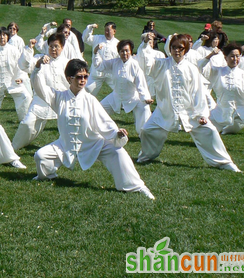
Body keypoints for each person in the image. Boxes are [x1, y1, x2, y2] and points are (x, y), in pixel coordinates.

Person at [32, 59, 155, 199]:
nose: (83, 80)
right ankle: (47, 176)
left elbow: (104, 121)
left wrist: (117, 133)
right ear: (69, 78)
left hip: (93, 144)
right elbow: (39, 87)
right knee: (41, 156)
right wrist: (37, 67)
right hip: (65, 144)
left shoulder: (90, 100)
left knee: (119, 153)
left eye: (86, 76)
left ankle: (137, 186)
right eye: (79, 77)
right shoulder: (59, 97)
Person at [137, 35, 240, 172]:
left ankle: (224, 162)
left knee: (210, 131)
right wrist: (144, 44)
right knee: (147, 131)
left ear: (185, 49)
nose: (177, 51)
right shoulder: (161, 64)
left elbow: (198, 92)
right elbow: (145, 63)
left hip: (190, 111)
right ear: (170, 48)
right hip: (164, 110)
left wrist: (202, 114)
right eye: (174, 47)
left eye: (180, 48)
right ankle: (146, 156)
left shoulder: (191, 68)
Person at [13, 33, 69, 150]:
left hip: (61, 100)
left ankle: (70, 148)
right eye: (51, 46)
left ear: (62, 47)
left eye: (56, 46)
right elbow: (23, 65)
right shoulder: (40, 58)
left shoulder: (66, 63)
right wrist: (29, 49)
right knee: (28, 124)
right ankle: (15, 146)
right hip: (40, 100)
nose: (53, 49)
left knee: (69, 126)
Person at [94, 39, 153, 135]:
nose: (124, 53)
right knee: (97, 109)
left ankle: (144, 134)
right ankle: (98, 131)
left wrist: (145, 98)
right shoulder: (114, 62)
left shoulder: (135, 65)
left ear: (131, 51)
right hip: (115, 97)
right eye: (122, 51)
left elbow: (141, 84)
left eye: (127, 50)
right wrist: (96, 52)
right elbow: (99, 66)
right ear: (119, 52)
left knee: (145, 109)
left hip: (133, 99)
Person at [200, 43, 244, 135]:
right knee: (204, 131)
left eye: (237, 56)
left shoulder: (243, 74)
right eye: (232, 56)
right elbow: (201, 68)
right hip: (222, 110)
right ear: (225, 57)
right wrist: (211, 55)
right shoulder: (218, 71)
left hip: (242, 110)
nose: (235, 59)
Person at [82, 22, 119, 95]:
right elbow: (85, 39)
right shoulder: (97, 38)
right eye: (105, 30)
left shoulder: (117, 43)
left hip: (111, 74)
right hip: (97, 73)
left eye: (108, 30)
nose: (106, 32)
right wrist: (90, 28)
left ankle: (123, 105)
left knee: (119, 90)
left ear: (114, 31)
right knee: (87, 90)